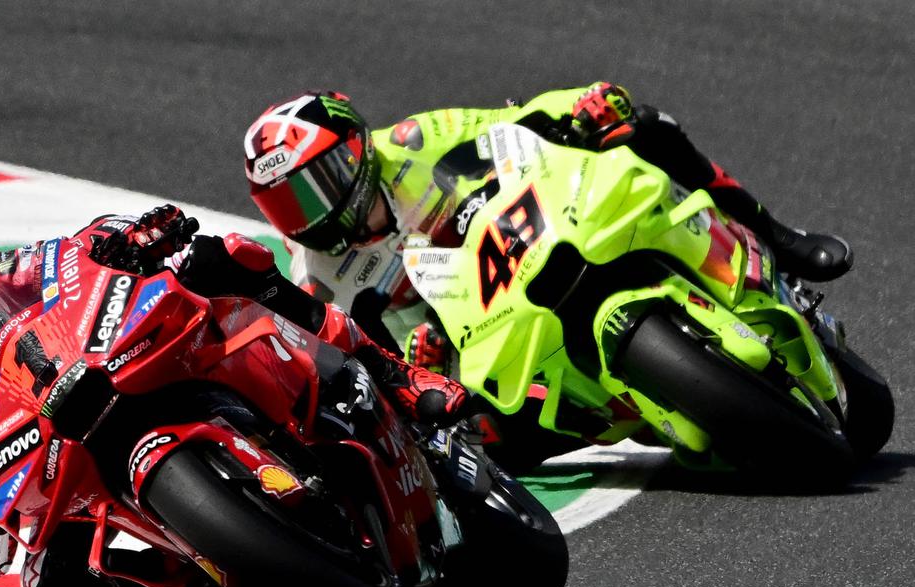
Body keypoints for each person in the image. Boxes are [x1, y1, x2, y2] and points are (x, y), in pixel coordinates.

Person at [0, 206, 467, 587]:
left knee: (223, 259)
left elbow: (59, 260)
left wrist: (121, 240)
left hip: (92, 371)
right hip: (48, 483)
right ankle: (209, 571)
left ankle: (396, 376)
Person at [242, 84, 852, 463]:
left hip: (538, 237)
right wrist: (418, 362)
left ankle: (780, 240)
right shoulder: (319, 280)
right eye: (287, 205)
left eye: (316, 187)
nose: (310, 214)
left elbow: (511, 122)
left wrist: (580, 106)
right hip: (485, 346)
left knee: (639, 126)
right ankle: (619, 407)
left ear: (356, 150)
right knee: (475, 438)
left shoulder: (412, 140)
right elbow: (363, 365)